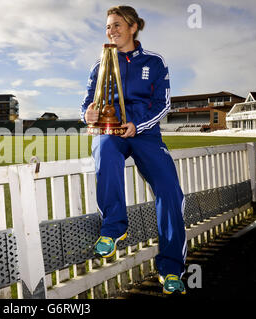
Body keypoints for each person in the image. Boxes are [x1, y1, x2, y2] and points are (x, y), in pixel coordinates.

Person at [80, 5, 187, 295]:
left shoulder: (154, 62)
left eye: (116, 25)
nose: (111, 31)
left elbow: (163, 103)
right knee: (104, 150)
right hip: (111, 132)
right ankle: (114, 228)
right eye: (107, 27)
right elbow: (87, 102)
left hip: (145, 134)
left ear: (132, 27)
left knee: (170, 191)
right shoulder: (99, 63)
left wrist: (137, 125)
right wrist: (87, 115)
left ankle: (171, 268)